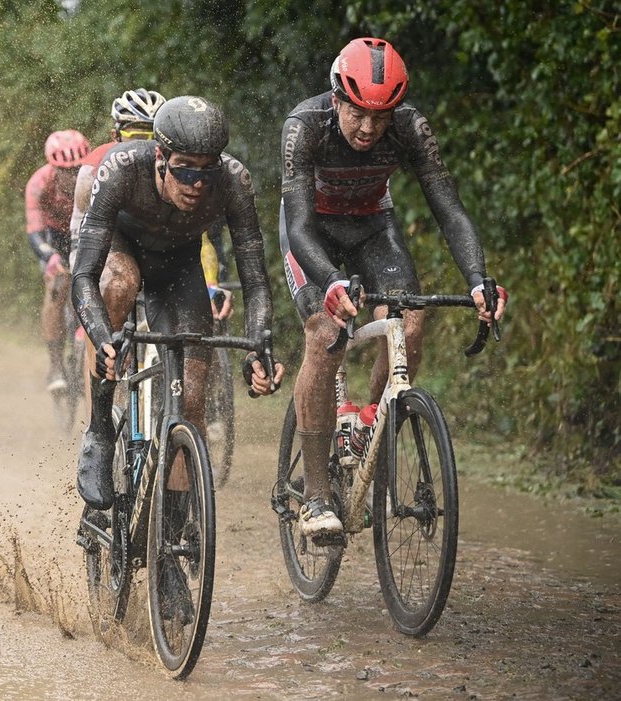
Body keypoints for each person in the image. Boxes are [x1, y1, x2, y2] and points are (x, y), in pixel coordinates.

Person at [279, 37, 508, 540]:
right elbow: (296, 225)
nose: (368, 128)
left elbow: (448, 208)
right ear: (337, 99)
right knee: (324, 334)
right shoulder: (304, 126)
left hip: (371, 225)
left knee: (413, 318)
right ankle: (316, 496)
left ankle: (368, 424)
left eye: (381, 117)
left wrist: (478, 280)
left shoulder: (410, 128)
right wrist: (333, 283)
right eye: (358, 113)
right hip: (312, 229)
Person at [73, 95, 284, 505]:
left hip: (178, 264)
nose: (197, 184)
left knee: (192, 400)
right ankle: (99, 429)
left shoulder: (233, 181)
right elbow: (83, 275)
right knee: (119, 281)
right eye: (184, 169)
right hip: (123, 248)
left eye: (207, 170)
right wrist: (102, 339)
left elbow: (255, 281)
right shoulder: (121, 169)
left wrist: (260, 345)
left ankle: (173, 531)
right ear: (160, 157)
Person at [26, 128, 91, 392]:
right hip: (55, 238)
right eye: (66, 171)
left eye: (77, 169)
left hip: (85, 232)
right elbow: (34, 230)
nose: (73, 176)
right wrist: (50, 256)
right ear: (54, 168)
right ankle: (55, 364)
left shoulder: (95, 176)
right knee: (57, 285)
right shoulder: (39, 183)